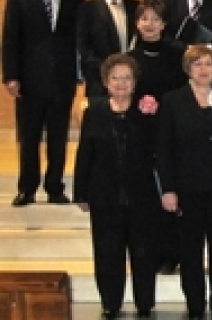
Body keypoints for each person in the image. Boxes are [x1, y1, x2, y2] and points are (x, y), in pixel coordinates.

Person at [156, 45, 212, 319]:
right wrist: (168, 188)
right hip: (187, 189)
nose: (203, 69)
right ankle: (195, 305)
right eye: (197, 64)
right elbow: (164, 148)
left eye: (208, 64)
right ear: (188, 69)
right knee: (190, 253)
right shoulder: (172, 101)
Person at [74, 54, 159, 319]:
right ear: (106, 82)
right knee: (107, 251)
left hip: (142, 194)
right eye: (115, 78)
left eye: (127, 78)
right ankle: (111, 302)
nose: (121, 83)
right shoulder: (94, 112)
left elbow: (159, 152)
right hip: (104, 194)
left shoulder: (147, 111)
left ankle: (145, 303)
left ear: (135, 83)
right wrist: (81, 191)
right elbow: (84, 153)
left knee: (143, 252)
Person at [3, 0, 85, 206]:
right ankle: (27, 188)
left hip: (62, 81)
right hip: (29, 82)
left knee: (58, 137)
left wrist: (80, 74)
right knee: (29, 137)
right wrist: (11, 76)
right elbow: (10, 39)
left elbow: (79, 42)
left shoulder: (75, 0)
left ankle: (55, 187)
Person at [127, 0, 186, 274]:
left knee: (171, 191)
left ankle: (172, 253)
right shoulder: (131, 59)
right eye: (143, 19)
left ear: (164, 24)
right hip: (143, 132)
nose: (149, 24)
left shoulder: (178, 53)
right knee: (148, 196)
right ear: (137, 24)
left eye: (155, 19)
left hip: (174, 129)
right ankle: (150, 253)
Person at [77, 0, 139, 97]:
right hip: (100, 82)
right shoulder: (86, 9)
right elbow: (83, 47)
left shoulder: (136, 7)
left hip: (131, 82)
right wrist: (108, 70)